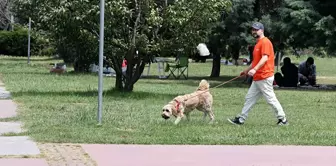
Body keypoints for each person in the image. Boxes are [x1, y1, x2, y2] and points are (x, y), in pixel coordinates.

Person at [228, 22, 288, 126]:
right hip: (258, 77)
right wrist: (247, 70)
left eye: (256, 29)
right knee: (249, 98)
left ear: (262, 30)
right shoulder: (258, 44)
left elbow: (265, 58)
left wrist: (254, 69)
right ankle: (241, 119)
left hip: (264, 76)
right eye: (253, 30)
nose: (254, 31)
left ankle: (283, 120)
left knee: (271, 99)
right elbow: (255, 61)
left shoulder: (265, 42)